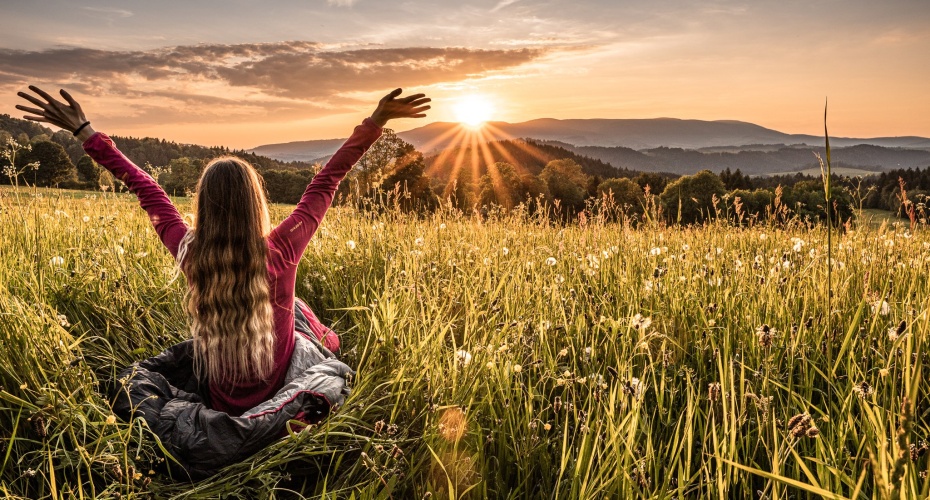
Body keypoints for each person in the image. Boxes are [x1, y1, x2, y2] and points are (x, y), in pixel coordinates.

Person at [16, 85, 430, 417]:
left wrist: (85, 132)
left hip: (218, 401)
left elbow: (146, 188)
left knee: (297, 308)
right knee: (307, 319)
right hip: (279, 388)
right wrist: (376, 121)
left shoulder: (190, 252)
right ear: (256, 204)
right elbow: (327, 181)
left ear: (203, 205)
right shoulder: (283, 249)